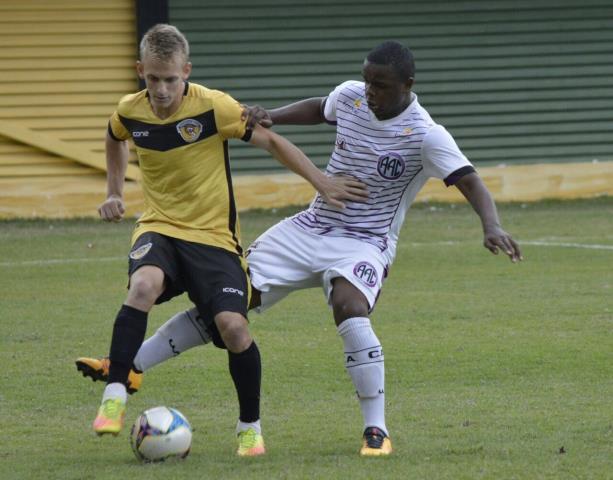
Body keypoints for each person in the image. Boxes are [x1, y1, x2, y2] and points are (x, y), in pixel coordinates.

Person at [78, 40, 522, 457]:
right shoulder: (352, 95)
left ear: (408, 86)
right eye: (367, 81)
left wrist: (492, 225)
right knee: (228, 303)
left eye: (380, 86)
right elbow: (320, 109)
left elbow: (469, 179)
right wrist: (271, 114)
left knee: (349, 307)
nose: (369, 92)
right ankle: (128, 365)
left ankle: (376, 429)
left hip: (365, 242)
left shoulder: (427, 135)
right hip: (310, 226)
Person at [89, 23, 368, 458]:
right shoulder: (130, 110)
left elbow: (272, 141)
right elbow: (114, 135)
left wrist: (322, 182)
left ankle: (249, 427)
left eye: (171, 79)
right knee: (141, 286)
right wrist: (113, 192)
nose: (162, 89)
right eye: (153, 78)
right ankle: (115, 396)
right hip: (159, 226)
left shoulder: (213, 108)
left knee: (234, 328)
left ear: (187, 71)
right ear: (140, 70)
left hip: (215, 239)